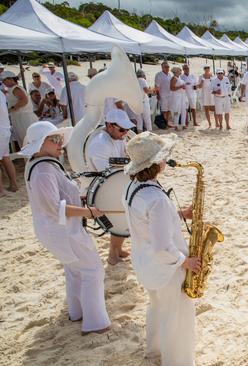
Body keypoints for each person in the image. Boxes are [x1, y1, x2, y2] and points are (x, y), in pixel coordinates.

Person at [20, 121, 111, 335]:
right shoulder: (42, 169)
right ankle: (95, 323)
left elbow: (56, 198)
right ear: (41, 144)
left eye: (60, 139)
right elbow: (53, 208)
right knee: (92, 270)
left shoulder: (43, 164)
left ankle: (77, 312)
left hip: (59, 230)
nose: (60, 143)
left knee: (75, 270)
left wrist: (77, 199)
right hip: (63, 231)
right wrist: (88, 212)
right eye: (55, 140)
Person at [122, 132, 199, 365]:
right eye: (163, 157)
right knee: (176, 318)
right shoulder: (157, 199)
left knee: (157, 308)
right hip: (167, 269)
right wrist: (186, 262)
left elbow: (147, 222)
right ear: (156, 163)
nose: (166, 160)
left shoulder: (132, 187)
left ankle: (154, 351)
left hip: (146, 265)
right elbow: (163, 248)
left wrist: (178, 215)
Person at [86, 109, 135, 265]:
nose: (125, 132)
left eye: (127, 129)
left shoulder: (118, 138)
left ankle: (117, 250)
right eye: (122, 129)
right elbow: (107, 175)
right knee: (119, 217)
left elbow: (122, 163)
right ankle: (112, 255)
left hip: (114, 184)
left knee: (123, 215)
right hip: (101, 189)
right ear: (109, 125)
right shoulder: (100, 144)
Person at [2, 71, 38, 146]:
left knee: (28, 141)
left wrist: (11, 109)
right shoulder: (12, 89)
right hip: (20, 118)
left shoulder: (16, 89)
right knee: (24, 141)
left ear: (10, 79)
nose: (3, 82)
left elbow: (24, 100)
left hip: (23, 118)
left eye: (4, 80)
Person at [0, 88, 18, 195]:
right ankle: (13, 185)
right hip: (5, 129)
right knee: (6, 158)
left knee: (4, 159)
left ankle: (1, 190)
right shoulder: (1, 93)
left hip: (1, 130)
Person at [154, 61, 173, 128]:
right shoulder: (158, 75)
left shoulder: (170, 75)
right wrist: (158, 94)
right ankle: (163, 124)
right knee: (164, 110)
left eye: (168, 67)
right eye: (166, 67)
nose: (167, 68)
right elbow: (157, 86)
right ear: (162, 67)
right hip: (162, 95)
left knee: (168, 110)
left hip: (169, 95)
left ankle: (167, 122)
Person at [170, 67, 187, 131]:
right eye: (180, 70)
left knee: (183, 110)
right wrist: (181, 87)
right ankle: (176, 125)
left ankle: (183, 124)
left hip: (182, 95)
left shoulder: (179, 78)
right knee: (177, 110)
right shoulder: (173, 78)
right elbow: (172, 88)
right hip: (176, 96)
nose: (181, 71)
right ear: (176, 71)